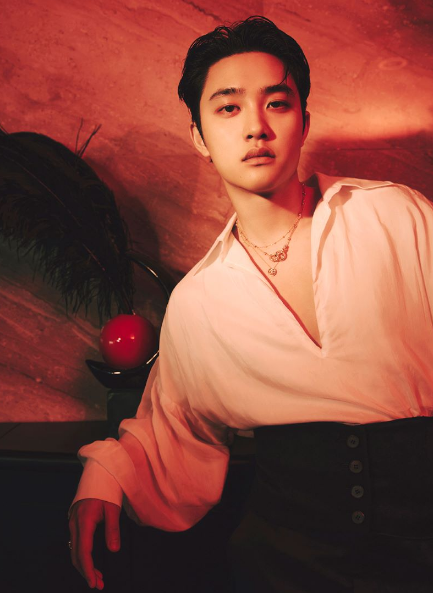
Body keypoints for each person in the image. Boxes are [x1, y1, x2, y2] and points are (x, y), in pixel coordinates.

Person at [68, 16, 433, 592]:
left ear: (304, 121)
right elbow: (169, 428)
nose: (256, 127)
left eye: (277, 104)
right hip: (287, 563)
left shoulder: (395, 217)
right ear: (199, 136)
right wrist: (102, 481)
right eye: (229, 107)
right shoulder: (200, 301)